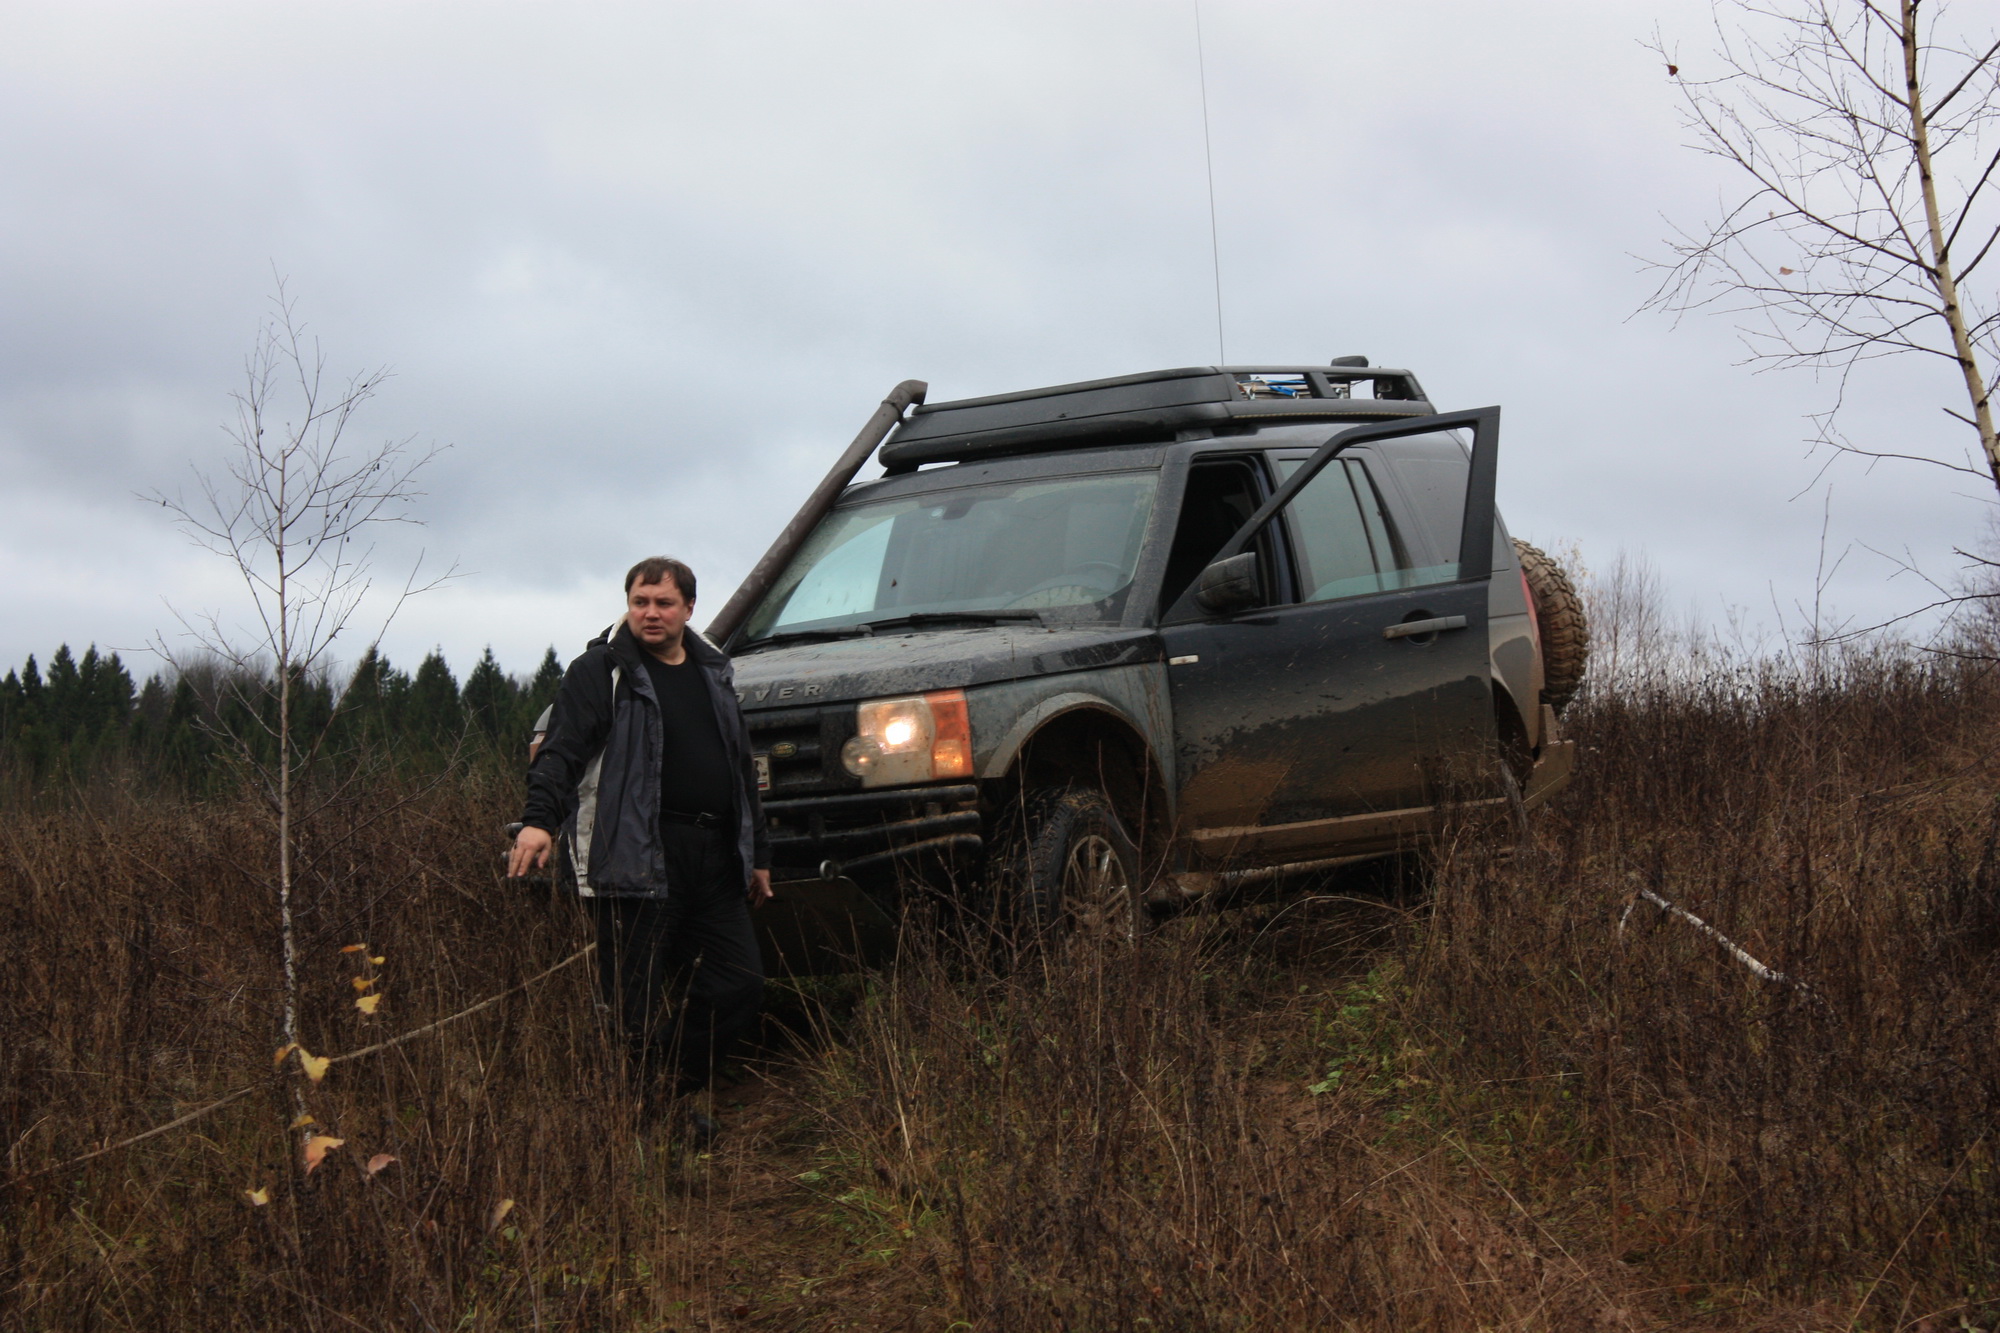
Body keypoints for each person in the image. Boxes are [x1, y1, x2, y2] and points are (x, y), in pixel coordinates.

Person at [508, 556, 772, 1138]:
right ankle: (644, 1127)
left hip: (713, 856)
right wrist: (538, 822)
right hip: (632, 856)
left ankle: (652, 1098)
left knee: (738, 984)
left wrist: (758, 855)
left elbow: (739, 769)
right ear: (628, 605)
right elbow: (561, 751)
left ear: (689, 609)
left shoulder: (713, 671)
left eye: (664, 603)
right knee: (634, 1007)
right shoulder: (600, 671)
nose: (651, 614)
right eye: (640, 602)